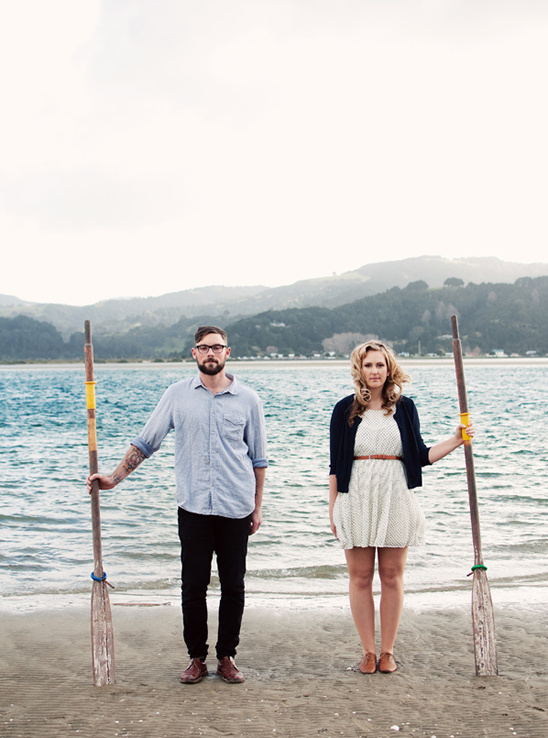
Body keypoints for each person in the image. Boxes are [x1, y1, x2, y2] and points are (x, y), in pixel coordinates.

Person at [87, 326, 267, 685]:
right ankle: (196, 659)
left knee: (234, 586)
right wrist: (113, 478)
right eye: (204, 348)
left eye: (217, 347)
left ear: (228, 352)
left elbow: (259, 460)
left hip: (236, 508)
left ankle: (227, 656)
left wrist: (257, 507)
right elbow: (146, 442)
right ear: (194, 353)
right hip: (194, 508)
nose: (210, 353)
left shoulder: (248, 399)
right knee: (193, 586)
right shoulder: (176, 395)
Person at [329, 339, 474, 675]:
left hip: (395, 496)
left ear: (389, 368)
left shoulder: (405, 408)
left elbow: (421, 456)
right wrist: (333, 508)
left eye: (380, 365)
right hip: (356, 498)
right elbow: (335, 465)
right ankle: (368, 651)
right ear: (359, 370)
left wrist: (456, 439)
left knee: (392, 576)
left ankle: (388, 652)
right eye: (368, 365)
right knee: (361, 577)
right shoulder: (344, 410)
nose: (374, 371)